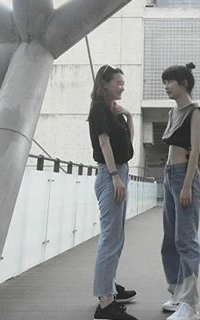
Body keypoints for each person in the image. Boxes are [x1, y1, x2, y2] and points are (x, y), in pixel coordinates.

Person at [88, 64, 138, 320]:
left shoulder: (114, 111)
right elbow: (104, 143)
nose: (122, 87)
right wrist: (114, 176)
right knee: (110, 236)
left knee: (117, 235)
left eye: (123, 83)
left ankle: (109, 286)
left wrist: (128, 116)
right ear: (105, 84)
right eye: (118, 83)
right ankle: (105, 302)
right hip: (111, 175)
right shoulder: (98, 108)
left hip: (121, 170)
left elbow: (128, 142)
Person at [160, 63, 200, 320]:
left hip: (183, 176)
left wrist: (187, 184)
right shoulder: (173, 112)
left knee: (185, 239)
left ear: (184, 84)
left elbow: (196, 150)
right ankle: (177, 293)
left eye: (170, 82)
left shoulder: (194, 111)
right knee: (169, 239)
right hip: (169, 175)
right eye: (165, 82)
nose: (166, 86)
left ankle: (190, 304)